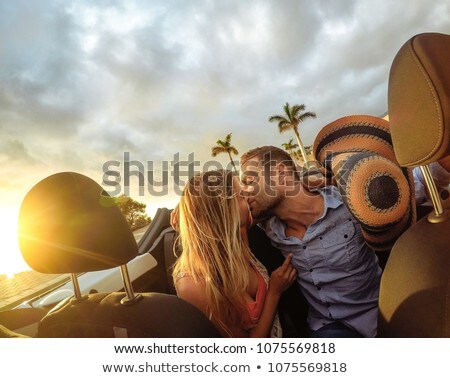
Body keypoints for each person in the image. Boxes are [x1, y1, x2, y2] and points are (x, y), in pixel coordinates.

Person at [239, 146, 450, 338]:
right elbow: (220, 219)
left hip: (378, 314)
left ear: (279, 173)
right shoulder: (267, 228)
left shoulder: (348, 199)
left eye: (250, 181)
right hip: (327, 326)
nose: (244, 192)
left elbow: (413, 187)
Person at [172, 169, 297, 337]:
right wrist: (274, 292)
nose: (248, 197)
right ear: (225, 212)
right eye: (241, 197)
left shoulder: (238, 237)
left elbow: (273, 200)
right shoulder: (193, 284)